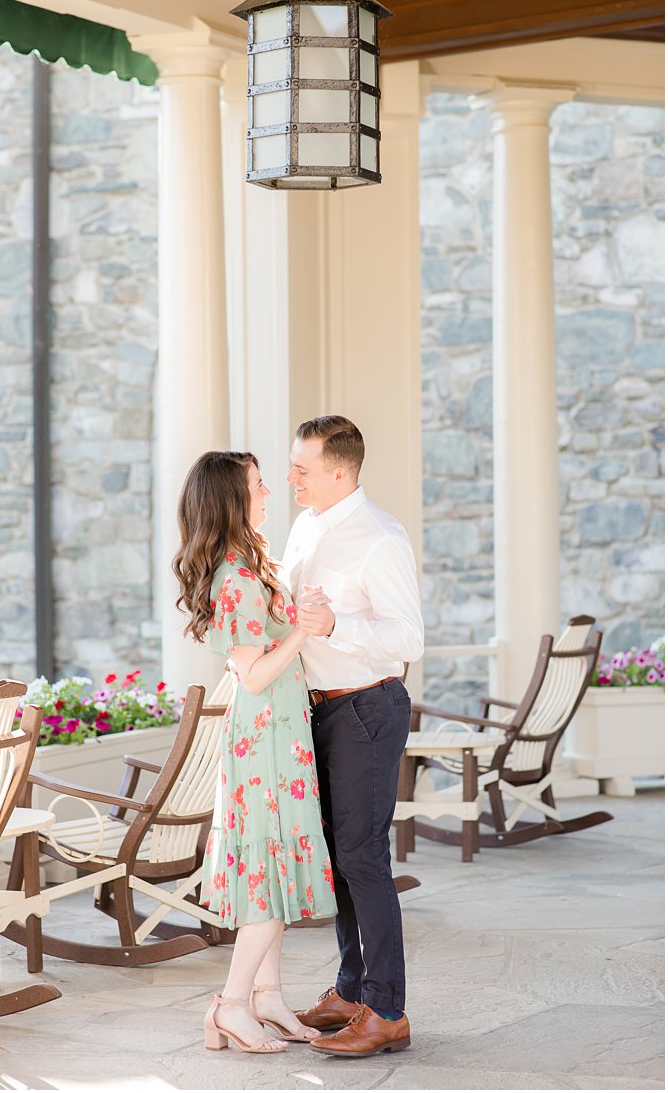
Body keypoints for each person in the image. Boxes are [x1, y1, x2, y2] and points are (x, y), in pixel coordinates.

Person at [173, 451, 338, 1054]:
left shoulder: (250, 566)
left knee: (279, 868)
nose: (269, 492)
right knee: (269, 877)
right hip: (265, 737)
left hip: (280, 735)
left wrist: (302, 615)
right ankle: (231, 1004)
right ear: (232, 501)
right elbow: (254, 675)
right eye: (258, 485)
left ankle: (267, 997)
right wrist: (303, 631)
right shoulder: (235, 578)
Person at [282, 415, 423, 1057]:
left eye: (302, 468)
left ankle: (388, 1009)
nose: (292, 478)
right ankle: (349, 989)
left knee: (363, 858)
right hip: (316, 710)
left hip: (368, 707)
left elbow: (409, 641)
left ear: (340, 471)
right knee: (338, 858)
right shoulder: (305, 527)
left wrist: (338, 626)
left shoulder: (381, 537)